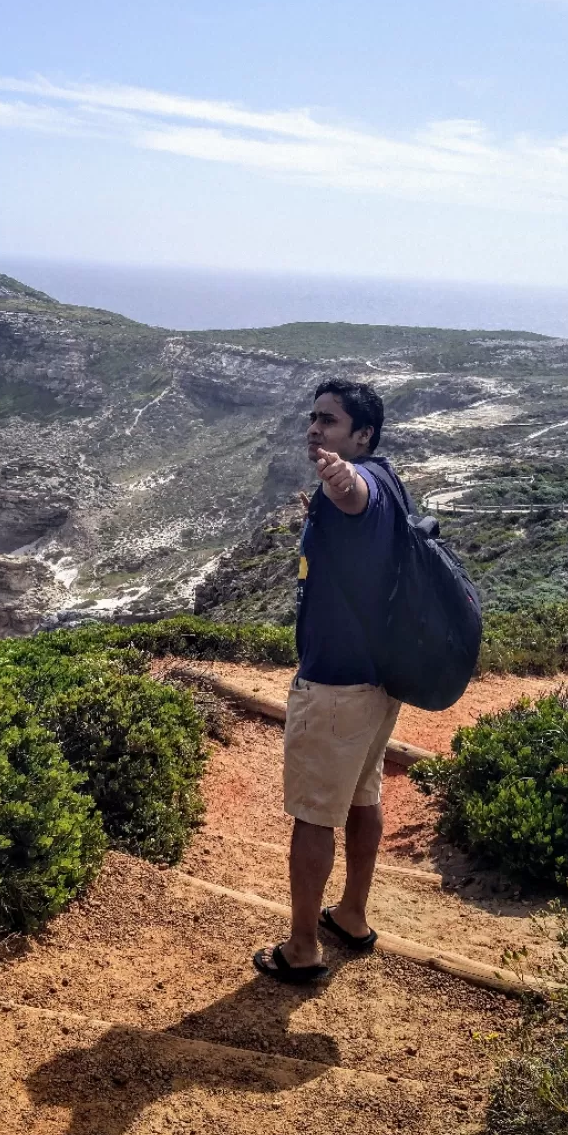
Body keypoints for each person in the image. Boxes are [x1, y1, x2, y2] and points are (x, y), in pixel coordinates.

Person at [253, 378, 401, 984]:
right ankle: (353, 915)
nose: (315, 430)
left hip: (335, 687)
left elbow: (353, 493)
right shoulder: (392, 474)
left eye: (330, 422)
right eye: (312, 419)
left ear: (362, 436)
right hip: (378, 683)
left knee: (315, 816)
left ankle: (304, 947)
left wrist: (341, 479)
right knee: (365, 797)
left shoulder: (361, 482)